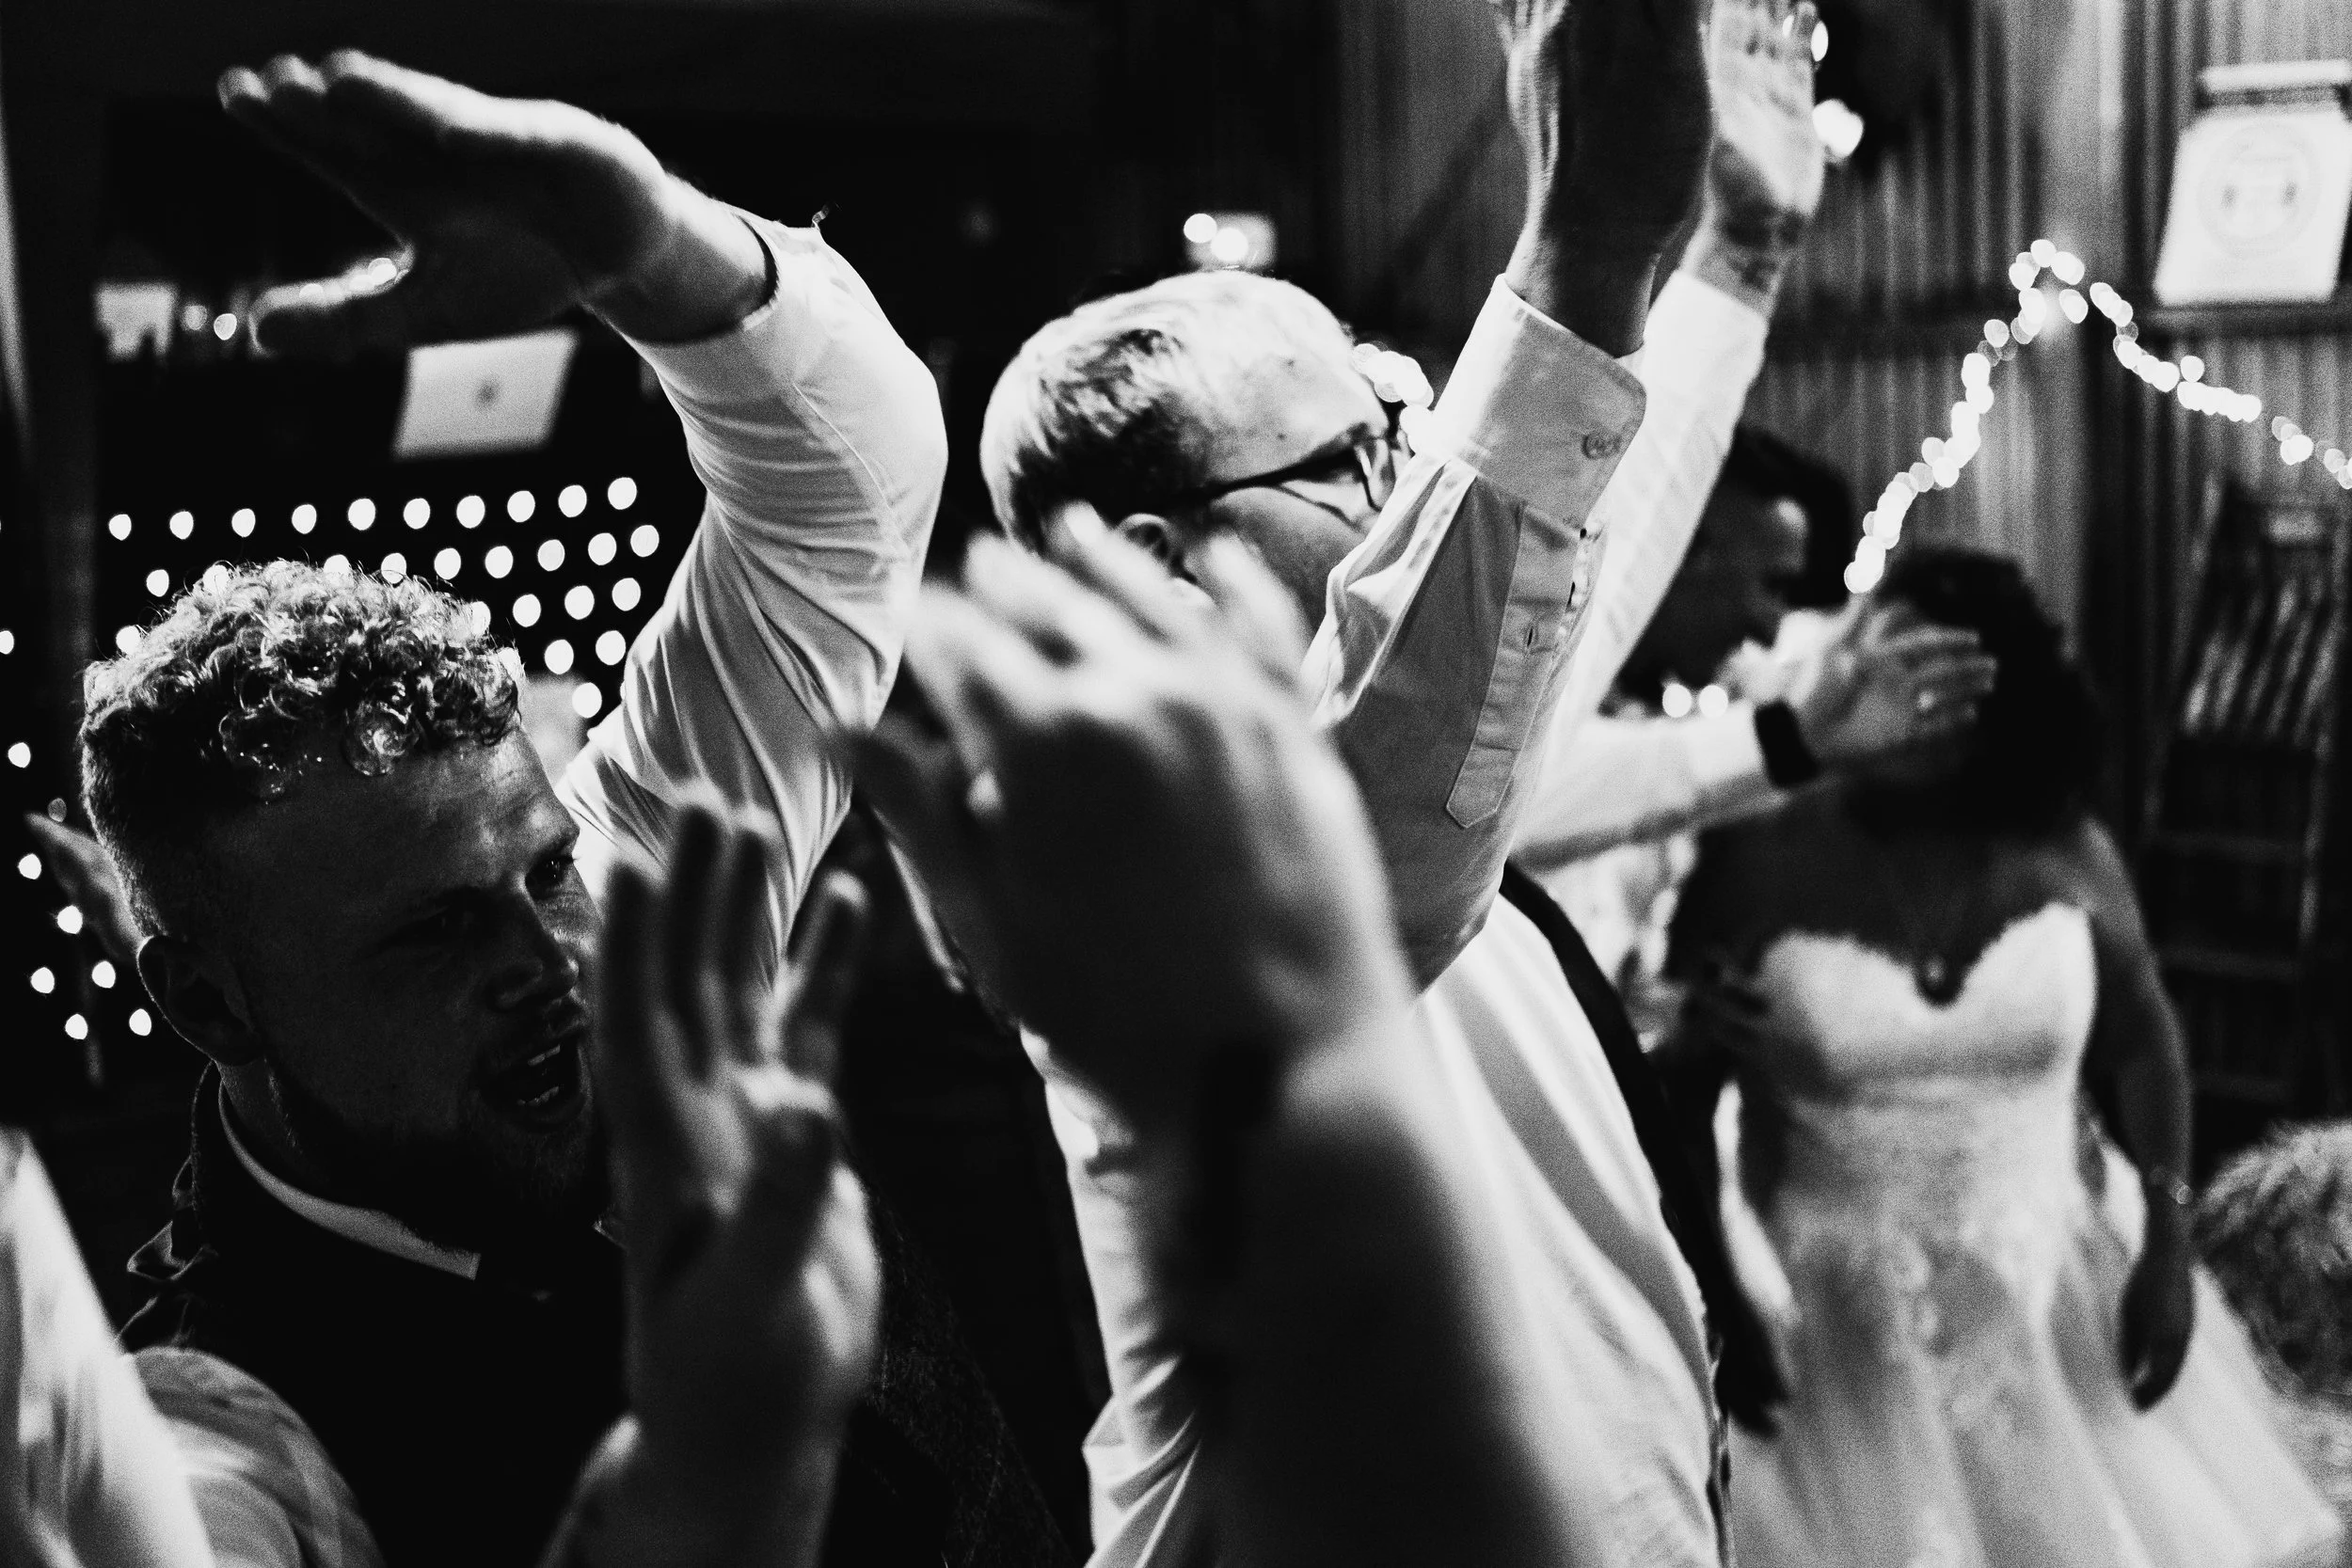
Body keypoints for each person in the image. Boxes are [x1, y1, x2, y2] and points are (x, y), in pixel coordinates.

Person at [79, 53, 1063, 1568]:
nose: (546, 956)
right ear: (206, 1000)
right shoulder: (217, 1432)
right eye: (431, 934)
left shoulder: (646, 917)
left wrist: (648, 252)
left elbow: (840, 485)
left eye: (545, 869)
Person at [975, 2, 1817, 1559]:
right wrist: (1576, 251)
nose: (1417, 475)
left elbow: (1579, 556)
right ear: (1157, 564)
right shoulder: (1135, 871)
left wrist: (1730, 259)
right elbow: (1392, 783)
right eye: (1363, 455)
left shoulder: (1437, 750)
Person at [1664, 544, 2341, 1567]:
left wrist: (2166, 1237)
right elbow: (1677, 1094)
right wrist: (1715, 1296)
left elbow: (2145, 1040)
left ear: (1995, 695)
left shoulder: (2064, 845)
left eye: (1931, 679)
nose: (1897, 704)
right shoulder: (1754, 858)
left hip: (2057, 1285)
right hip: (1830, 1319)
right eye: (1876, 667)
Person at [1517, 427, 1997, 1044]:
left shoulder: (1644, 721)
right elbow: (1533, 804)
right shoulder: (1527, 705)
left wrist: (1674, 1014)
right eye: (1771, 585)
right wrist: (1790, 738)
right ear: (1686, 553)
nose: (1771, 630)